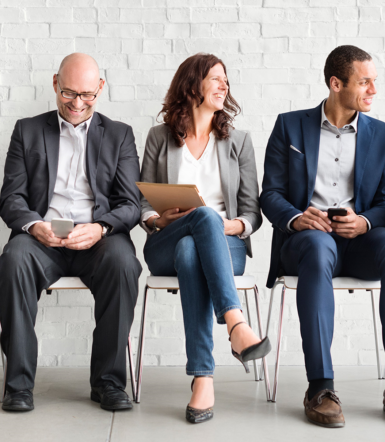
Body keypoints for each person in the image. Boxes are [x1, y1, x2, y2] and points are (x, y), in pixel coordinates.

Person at [260, 45, 385, 428]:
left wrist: (365, 222)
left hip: (359, 240)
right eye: (364, 81)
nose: (372, 90)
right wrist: (297, 218)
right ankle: (320, 386)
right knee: (319, 248)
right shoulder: (290, 126)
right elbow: (270, 193)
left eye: (374, 81)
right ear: (336, 84)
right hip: (306, 241)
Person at [0, 53, 141, 413]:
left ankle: (108, 382)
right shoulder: (27, 130)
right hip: (42, 235)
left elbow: (131, 203)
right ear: (55, 83)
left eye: (88, 95)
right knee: (12, 262)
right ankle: (19, 385)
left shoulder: (120, 135)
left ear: (101, 88)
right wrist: (34, 225)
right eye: (69, 93)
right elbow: (11, 198)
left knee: (125, 264)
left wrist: (100, 227)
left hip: (98, 237)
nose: (77, 104)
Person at [139, 53, 268, 424]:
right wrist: (157, 217)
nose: (223, 85)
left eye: (225, 79)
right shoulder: (159, 137)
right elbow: (142, 202)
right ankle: (236, 325)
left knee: (194, 246)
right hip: (166, 238)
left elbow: (250, 212)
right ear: (191, 85)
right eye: (215, 78)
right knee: (194, 229)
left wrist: (232, 226)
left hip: (224, 245)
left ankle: (203, 377)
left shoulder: (238, 142)